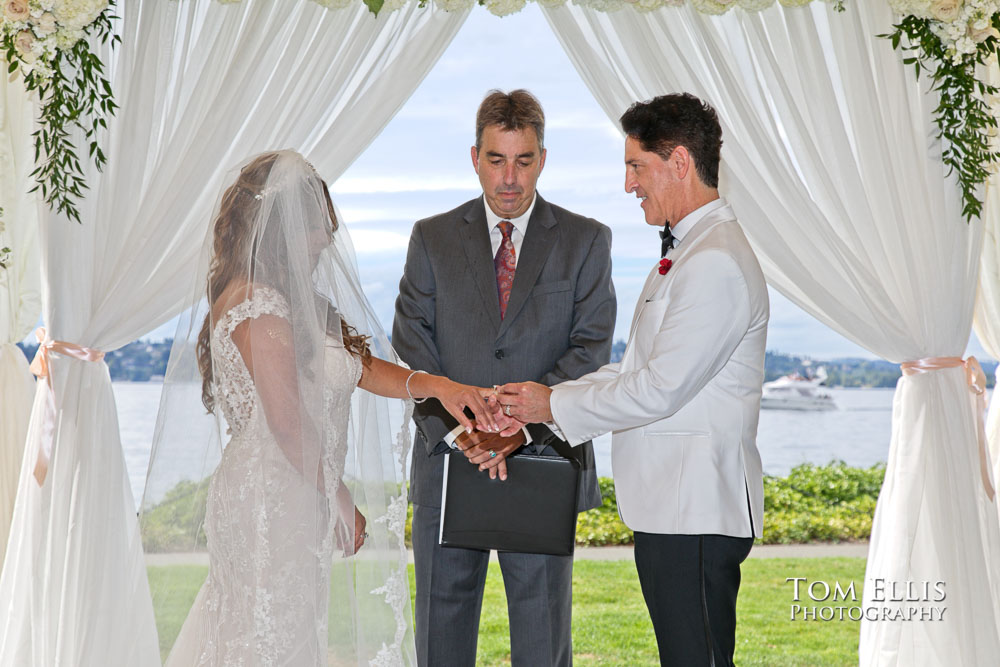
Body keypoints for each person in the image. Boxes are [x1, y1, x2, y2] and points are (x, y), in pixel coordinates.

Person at [144, 150, 497, 666]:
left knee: (282, 634)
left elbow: (361, 366)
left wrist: (437, 385)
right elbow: (287, 425)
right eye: (316, 227)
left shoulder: (293, 301)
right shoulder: (259, 308)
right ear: (281, 225)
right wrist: (340, 498)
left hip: (294, 490)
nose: (326, 240)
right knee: (265, 640)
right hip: (272, 496)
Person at [496, 93, 769, 667]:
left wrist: (554, 407)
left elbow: (660, 389)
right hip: (675, 507)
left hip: (695, 507)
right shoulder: (689, 250)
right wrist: (538, 404)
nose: (628, 184)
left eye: (635, 166)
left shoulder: (714, 260)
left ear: (679, 162)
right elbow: (637, 368)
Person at [392, 89, 616, 666]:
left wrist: (517, 429)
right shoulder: (430, 237)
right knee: (441, 635)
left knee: (543, 639)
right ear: (474, 157)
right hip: (449, 461)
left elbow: (590, 347)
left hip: (542, 460)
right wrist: (463, 430)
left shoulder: (587, 239)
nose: (509, 179)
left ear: (543, 158)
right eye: (496, 160)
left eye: (523, 160)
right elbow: (411, 343)